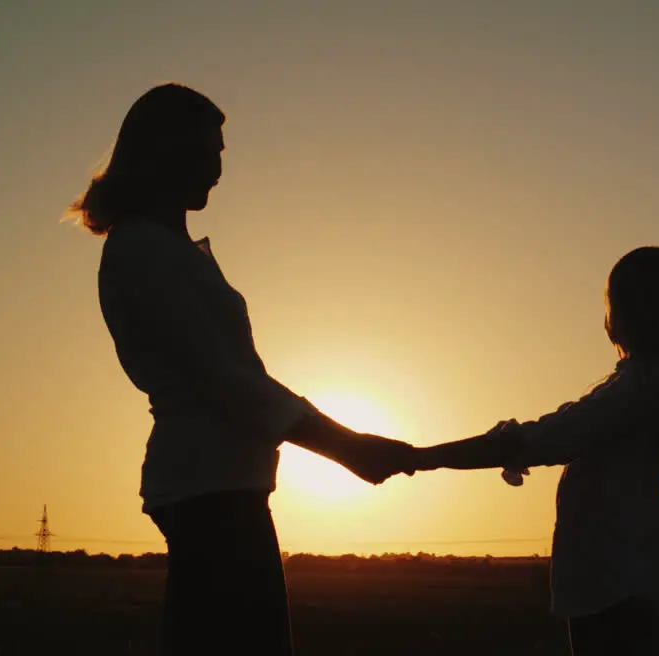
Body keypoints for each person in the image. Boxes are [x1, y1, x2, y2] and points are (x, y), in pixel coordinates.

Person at [67, 83, 417, 655]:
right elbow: (228, 384)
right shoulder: (143, 250)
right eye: (210, 153)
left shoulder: (165, 249)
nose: (218, 170)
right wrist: (347, 446)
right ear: (166, 153)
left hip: (222, 485)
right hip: (210, 489)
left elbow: (233, 383)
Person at [412, 246, 659, 656]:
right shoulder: (642, 383)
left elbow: (550, 437)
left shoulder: (643, 386)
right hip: (610, 575)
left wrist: (423, 458)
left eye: (616, 302)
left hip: (614, 578)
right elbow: (556, 433)